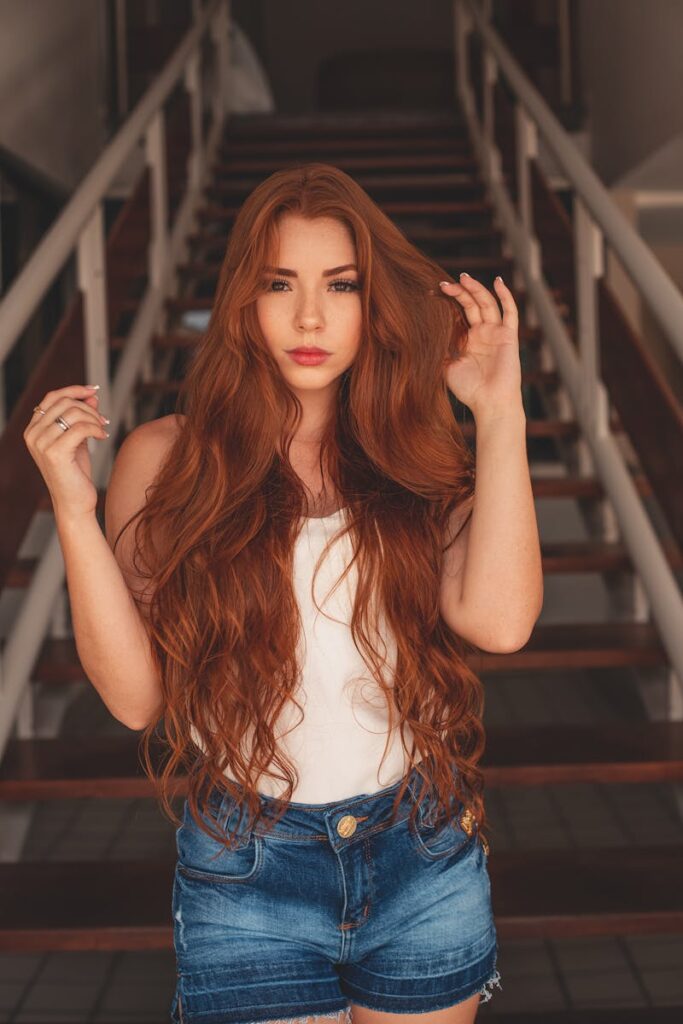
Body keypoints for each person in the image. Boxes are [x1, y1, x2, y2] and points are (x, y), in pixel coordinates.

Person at [24, 163, 543, 1024]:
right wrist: (75, 515)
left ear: (370, 305)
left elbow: (499, 621)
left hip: (417, 849)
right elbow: (135, 700)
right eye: (280, 283)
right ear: (243, 303)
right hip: (247, 864)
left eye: (340, 285)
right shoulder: (169, 458)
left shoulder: (410, 455)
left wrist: (499, 411)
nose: (309, 317)